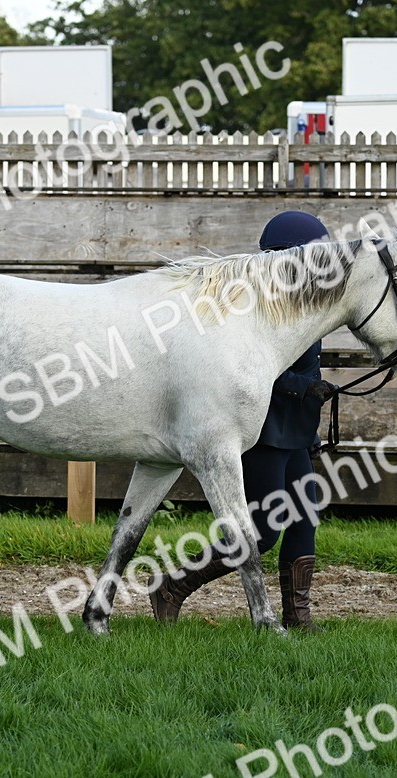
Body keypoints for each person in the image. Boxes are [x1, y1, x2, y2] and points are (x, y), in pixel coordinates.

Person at [150, 210, 336, 631]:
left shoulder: (307, 303)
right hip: (262, 428)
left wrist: (313, 416)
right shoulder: (258, 306)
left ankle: (298, 616)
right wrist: (297, 388)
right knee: (265, 531)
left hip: (296, 429)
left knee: (306, 516)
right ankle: (173, 584)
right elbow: (250, 366)